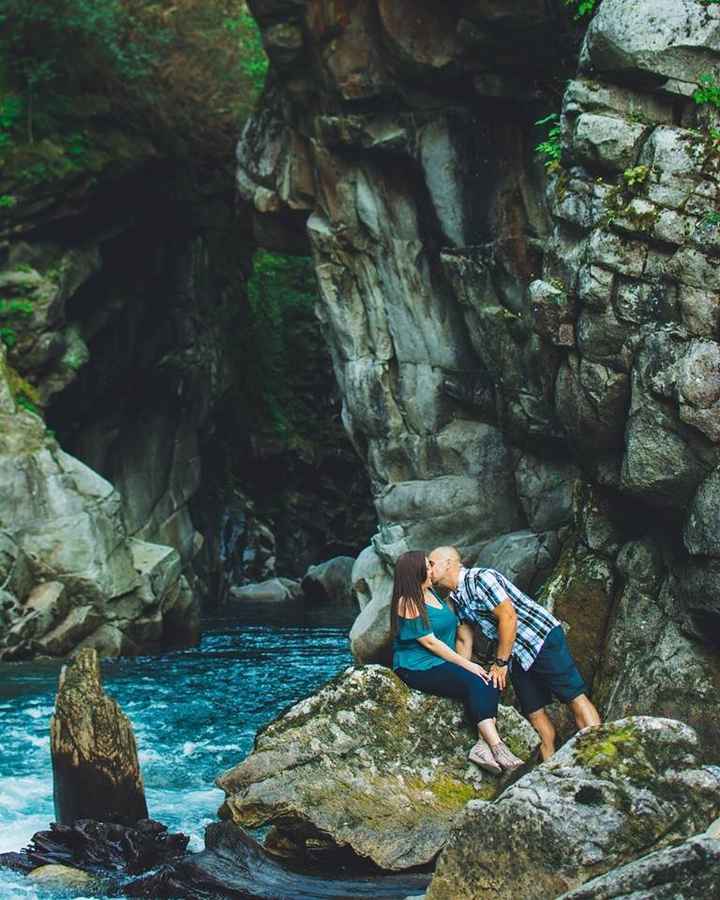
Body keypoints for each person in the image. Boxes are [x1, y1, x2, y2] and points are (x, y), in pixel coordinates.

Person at [428, 546, 601, 760]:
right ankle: (551, 771)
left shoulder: (481, 579)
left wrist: (500, 664)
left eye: (431, 564)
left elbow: (508, 617)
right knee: (534, 713)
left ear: (448, 563)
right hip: (515, 654)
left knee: (574, 697)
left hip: (539, 638)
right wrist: (461, 673)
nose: (427, 569)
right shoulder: (456, 598)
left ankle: (599, 756)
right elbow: (464, 639)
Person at [391, 549, 524, 774]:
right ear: (416, 571)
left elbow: (460, 631)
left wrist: (470, 663)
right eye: (427, 566)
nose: (431, 570)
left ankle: (481, 746)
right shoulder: (407, 601)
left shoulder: (434, 594)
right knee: (475, 679)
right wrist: (467, 664)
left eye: (431, 565)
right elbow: (431, 643)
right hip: (416, 666)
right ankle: (497, 746)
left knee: (489, 679)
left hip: (439, 662)